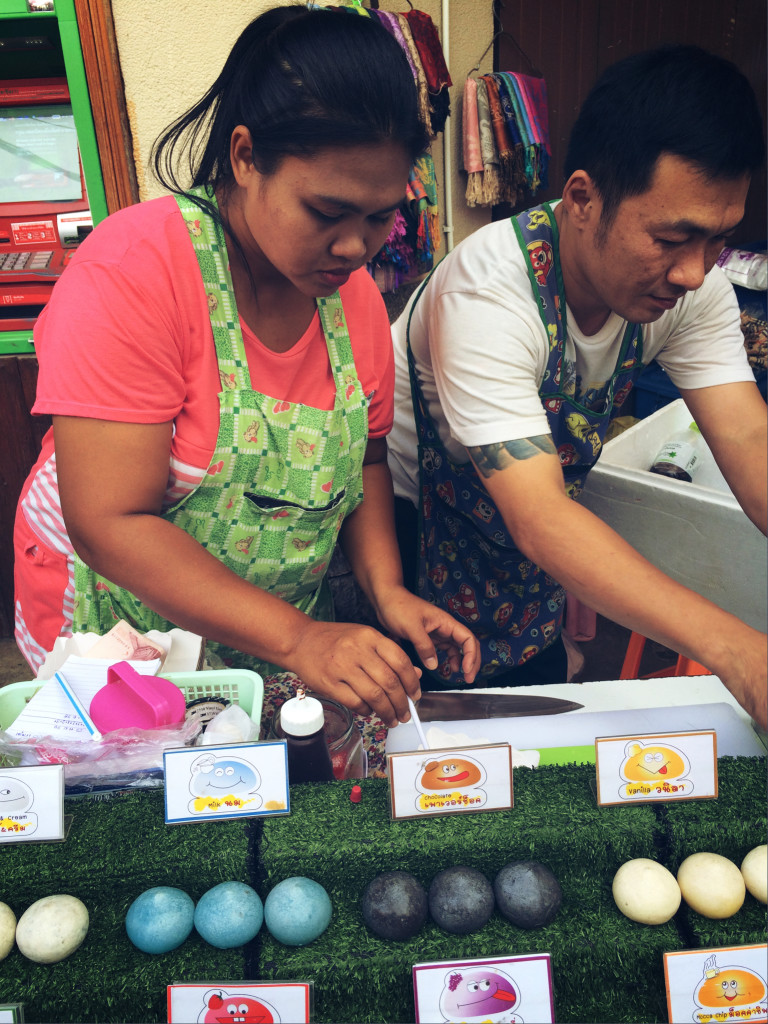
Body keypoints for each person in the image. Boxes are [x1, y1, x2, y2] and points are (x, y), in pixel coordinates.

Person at [13, 4, 481, 729]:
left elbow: (365, 463)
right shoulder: (136, 272)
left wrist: (387, 590)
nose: (357, 247)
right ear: (243, 156)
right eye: (328, 211)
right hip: (125, 626)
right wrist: (298, 637)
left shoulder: (352, 301)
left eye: (380, 217)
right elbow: (110, 520)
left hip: (275, 631)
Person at [387, 45, 768, 728]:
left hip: (523, 530)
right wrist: (738, 651)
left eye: (718, 241)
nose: (694, 272)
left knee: (531, 724)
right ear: (584, 199)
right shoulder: (488, 294)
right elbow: (540, 518)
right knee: (418, 729)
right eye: (672, 238)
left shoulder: (694, 288)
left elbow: (747, 433)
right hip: (410, 527)